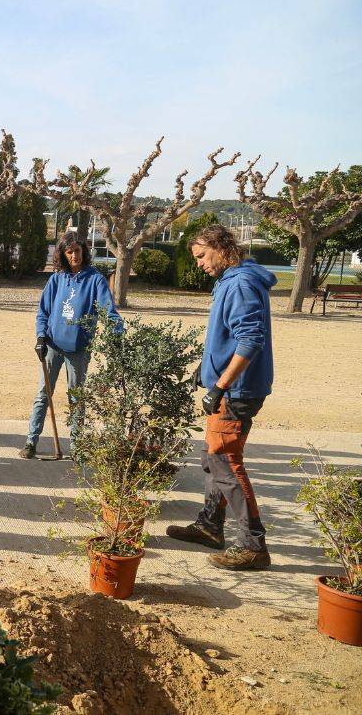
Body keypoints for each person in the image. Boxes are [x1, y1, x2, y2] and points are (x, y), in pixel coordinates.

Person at [167, 225, 276, 571]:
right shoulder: (233, 279)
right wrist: (207, 367)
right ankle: (210, 526)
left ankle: (253, 545)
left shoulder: (241, 283)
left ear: (220, 247)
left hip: (237, 391)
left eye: (201, 256)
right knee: (213, 458)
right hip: (232, 387)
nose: (199, 264)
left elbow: (249, 340)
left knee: (226, 462)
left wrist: (220, 386)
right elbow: (229, 337)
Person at [19, 233, 121, 459]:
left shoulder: (95, 280)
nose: (74, 255)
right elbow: (43, 312)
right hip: (53, 346)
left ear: (84, 251)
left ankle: (77, 446)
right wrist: (40, 338)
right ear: (63, 255)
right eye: (69, 251)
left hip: (79, 349)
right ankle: (30, 442)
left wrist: (117, 335)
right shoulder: (56, 279)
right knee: (43, 394)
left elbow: (108, 311)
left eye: (77, 250)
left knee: (77, 398)